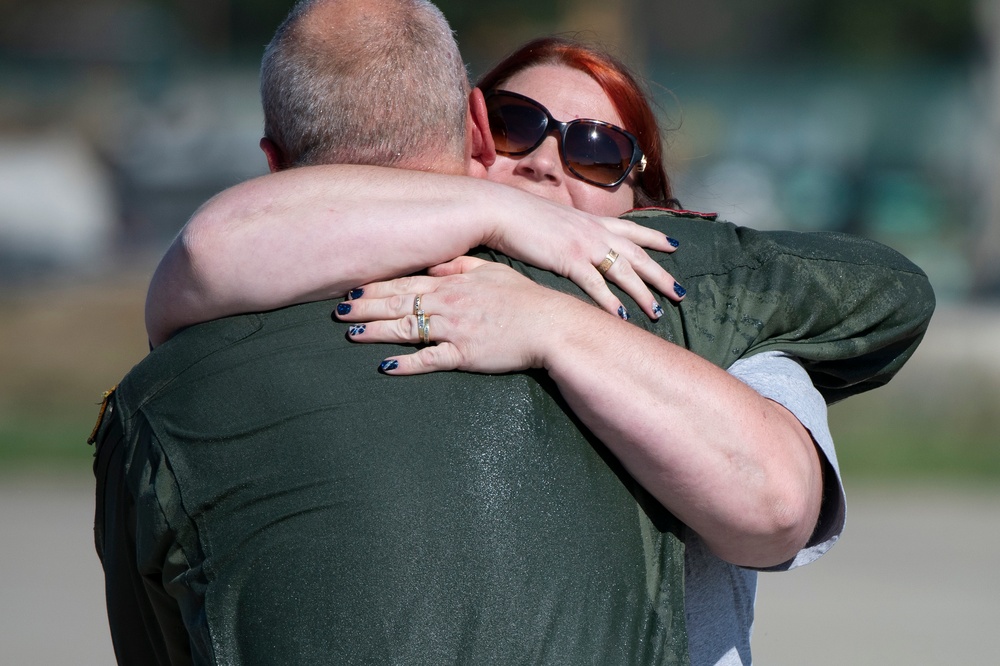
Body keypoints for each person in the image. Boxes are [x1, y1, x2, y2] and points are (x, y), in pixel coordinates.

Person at [93, 2, 933, 665]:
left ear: (644, 207)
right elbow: (210, 250)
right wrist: (494, 214)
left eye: (600, 151)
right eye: (520, 123)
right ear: (471, 133)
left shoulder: (702, 317)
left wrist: (552, 325)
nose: (545, 162)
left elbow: (775, 510)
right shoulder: (334, 266)